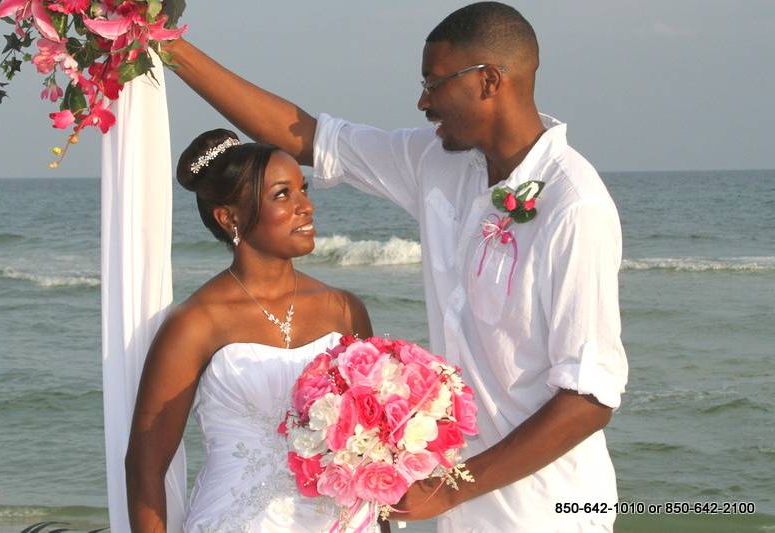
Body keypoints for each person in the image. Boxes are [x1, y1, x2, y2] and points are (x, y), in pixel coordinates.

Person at [164, 2, 629, 531]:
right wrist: (164, 45)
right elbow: (310, 138)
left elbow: (590, 397)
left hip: (547, 508)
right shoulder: (438, 162)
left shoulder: (574, 206)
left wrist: (452, 488)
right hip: (459, 506)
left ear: (489, 81)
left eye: (434, 83)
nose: (422, 101)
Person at [124, 129, 376, 532]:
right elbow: (145, 468)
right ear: (230, 217)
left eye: (303, 189)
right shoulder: (195, 323)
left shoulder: (344, 310)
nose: (306, 206)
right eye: (282, 195)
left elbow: (369, 447)